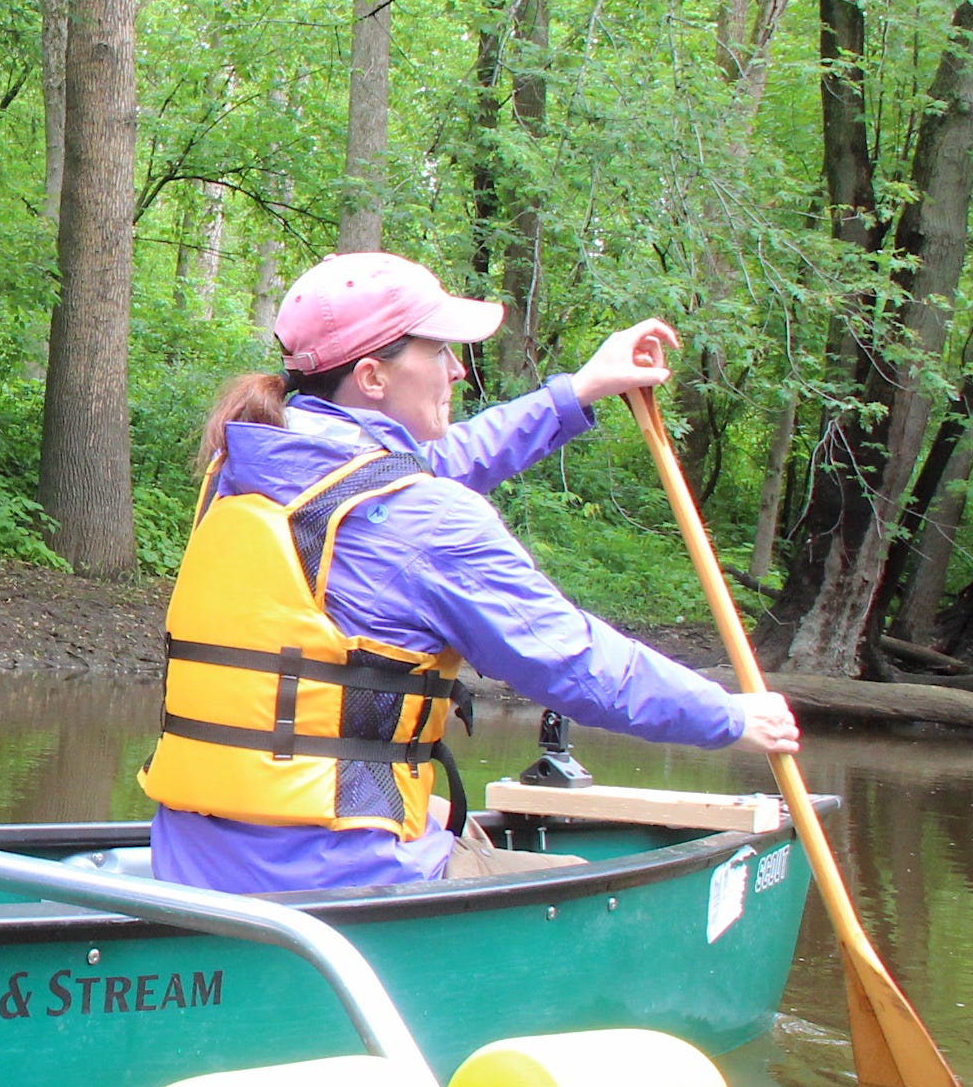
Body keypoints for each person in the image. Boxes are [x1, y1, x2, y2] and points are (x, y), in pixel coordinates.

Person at [143, 251, 798, 897]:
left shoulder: (247, 469)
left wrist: (579, 391)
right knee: (591, 897)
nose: (458, 369)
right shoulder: (424, 521)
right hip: (342, 879)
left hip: (192, 868)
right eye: (438, 352)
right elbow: (577, 663)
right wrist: (730, 715)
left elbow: (432, 467)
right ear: (373, 377)